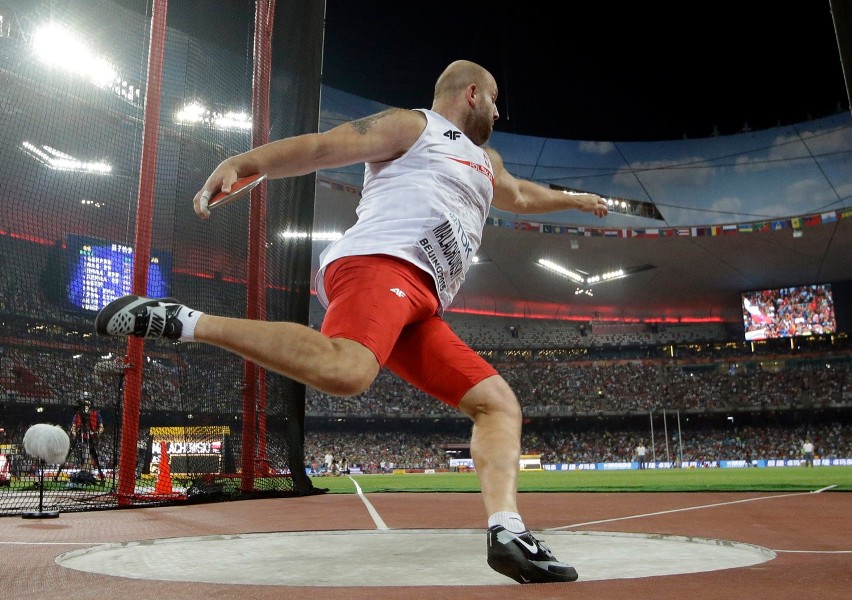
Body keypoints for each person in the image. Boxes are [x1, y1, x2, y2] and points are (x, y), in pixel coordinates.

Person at [94, 60, 607, 584]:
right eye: (496, 100)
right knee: (349, 371)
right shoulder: (416, 126)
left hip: (424, 298)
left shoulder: (486, 160)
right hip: (379, 263)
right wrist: (246, 161)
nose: (500, 111)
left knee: (497, 404)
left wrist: (576, 199)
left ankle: (507, 531)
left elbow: (520, 196)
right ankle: (182, 320)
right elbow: (326, 146)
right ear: (472, 94)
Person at [70, 391, 105, 481]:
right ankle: (84, 472)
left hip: (91, 438)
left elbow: (101, 427)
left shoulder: (96, 414)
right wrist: (75, 433)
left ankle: (88, 473)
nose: (86, 403)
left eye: (88, 401)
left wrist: (97, 433)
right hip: (80, 437)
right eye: (84, 401)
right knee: (82, 454)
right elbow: (73, 427)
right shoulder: (77, 415)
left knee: (90, 454)